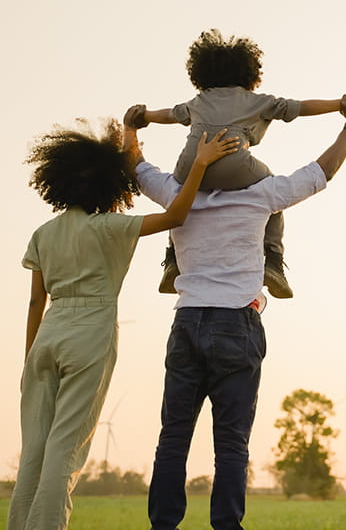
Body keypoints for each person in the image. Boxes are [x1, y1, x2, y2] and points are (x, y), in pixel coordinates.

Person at [123, 92, 346, 530]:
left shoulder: (177, 193)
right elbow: (321, 171)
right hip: (237, 320)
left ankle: (162, 526)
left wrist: (132, 128)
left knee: (172, 438)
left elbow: (138, 169)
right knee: (231, 444)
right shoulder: (261, 195)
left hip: (188, 318)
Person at [8, 119, 240, 530]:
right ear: (108, 184)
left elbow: (34, 301)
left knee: (35, 452)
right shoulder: (111, 227)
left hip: (46, 334)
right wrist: (200, 164)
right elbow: (178, 214)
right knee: (65, 448)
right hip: (90, 331)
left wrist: (29, 361)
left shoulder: (43, 233)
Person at [126, 28, 346, 299]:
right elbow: (301, 108)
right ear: (250, 74)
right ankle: (273, 259)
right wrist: (339, 105)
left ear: (201, 74)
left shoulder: (198, 101)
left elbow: (168, 114)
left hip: (190, 168)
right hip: (236, 166)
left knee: (178, 199)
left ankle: (172, 260)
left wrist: (144, 118)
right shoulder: (258, 101)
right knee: (271, 187)